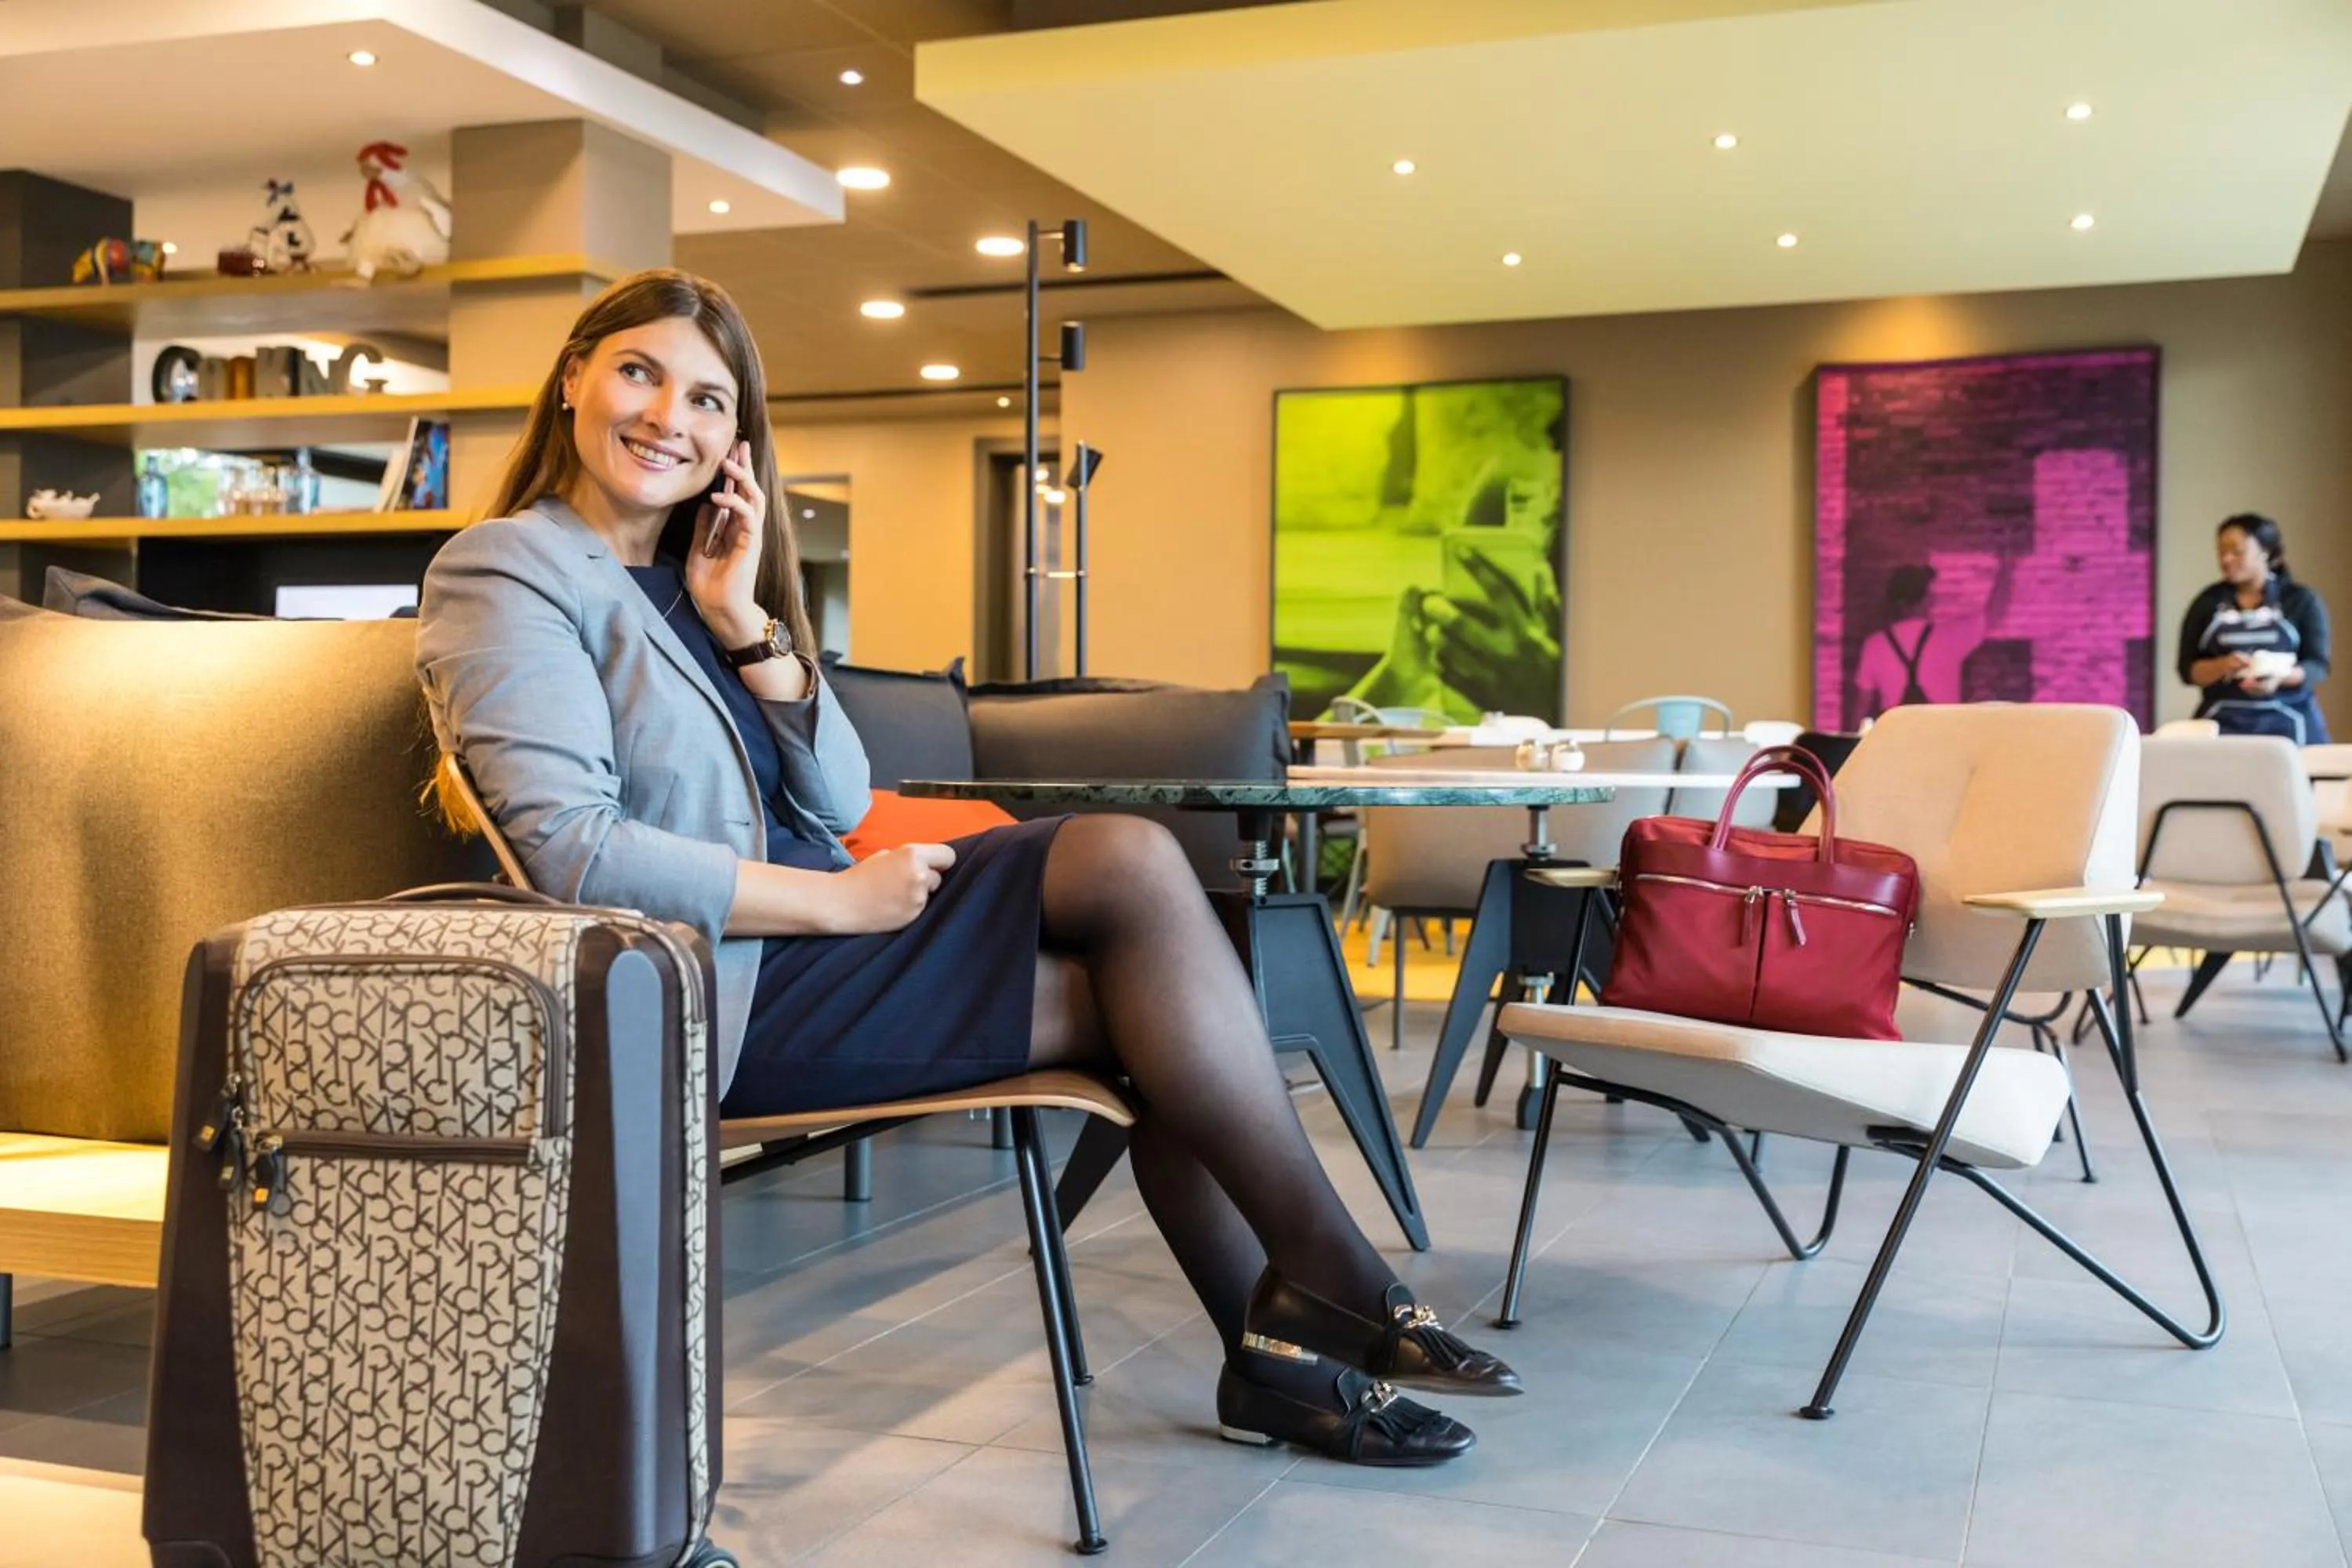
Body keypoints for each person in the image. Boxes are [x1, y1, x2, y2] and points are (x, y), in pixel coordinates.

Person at [413, 269, 1518, 1468]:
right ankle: (1317, 1313)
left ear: (738, 439)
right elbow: (572, 852)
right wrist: (837, 902)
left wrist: (744, 624)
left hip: (827, 937)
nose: (668, 416)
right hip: (712, 984)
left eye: (709, 400)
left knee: (1141, 903)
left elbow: (835, 795)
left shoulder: (707, 580)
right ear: (575, 376)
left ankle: (1306, 1320)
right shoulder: (506, 571)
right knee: (1156, 985)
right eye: (639, 372)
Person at [2178, 514, 2332, 743]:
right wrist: (2221, 666)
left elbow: (2317, 666)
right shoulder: (2206, 603)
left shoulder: (2302, 601)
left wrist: (2278, 677)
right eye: (2221, 551)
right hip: (2222, 723)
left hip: (2291, 723)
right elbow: (2188, 670)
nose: (2226, 559)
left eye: (2236, 551)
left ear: (2265, 551)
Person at [1851, 554, 2018, 720]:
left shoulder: (1874, 645)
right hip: (1942, 737)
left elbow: (1861, 707)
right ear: (1926, 599)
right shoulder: (1949, 636)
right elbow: (1995, 612)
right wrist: (2006, 566)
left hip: (1898, 740)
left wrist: (1850, 744)